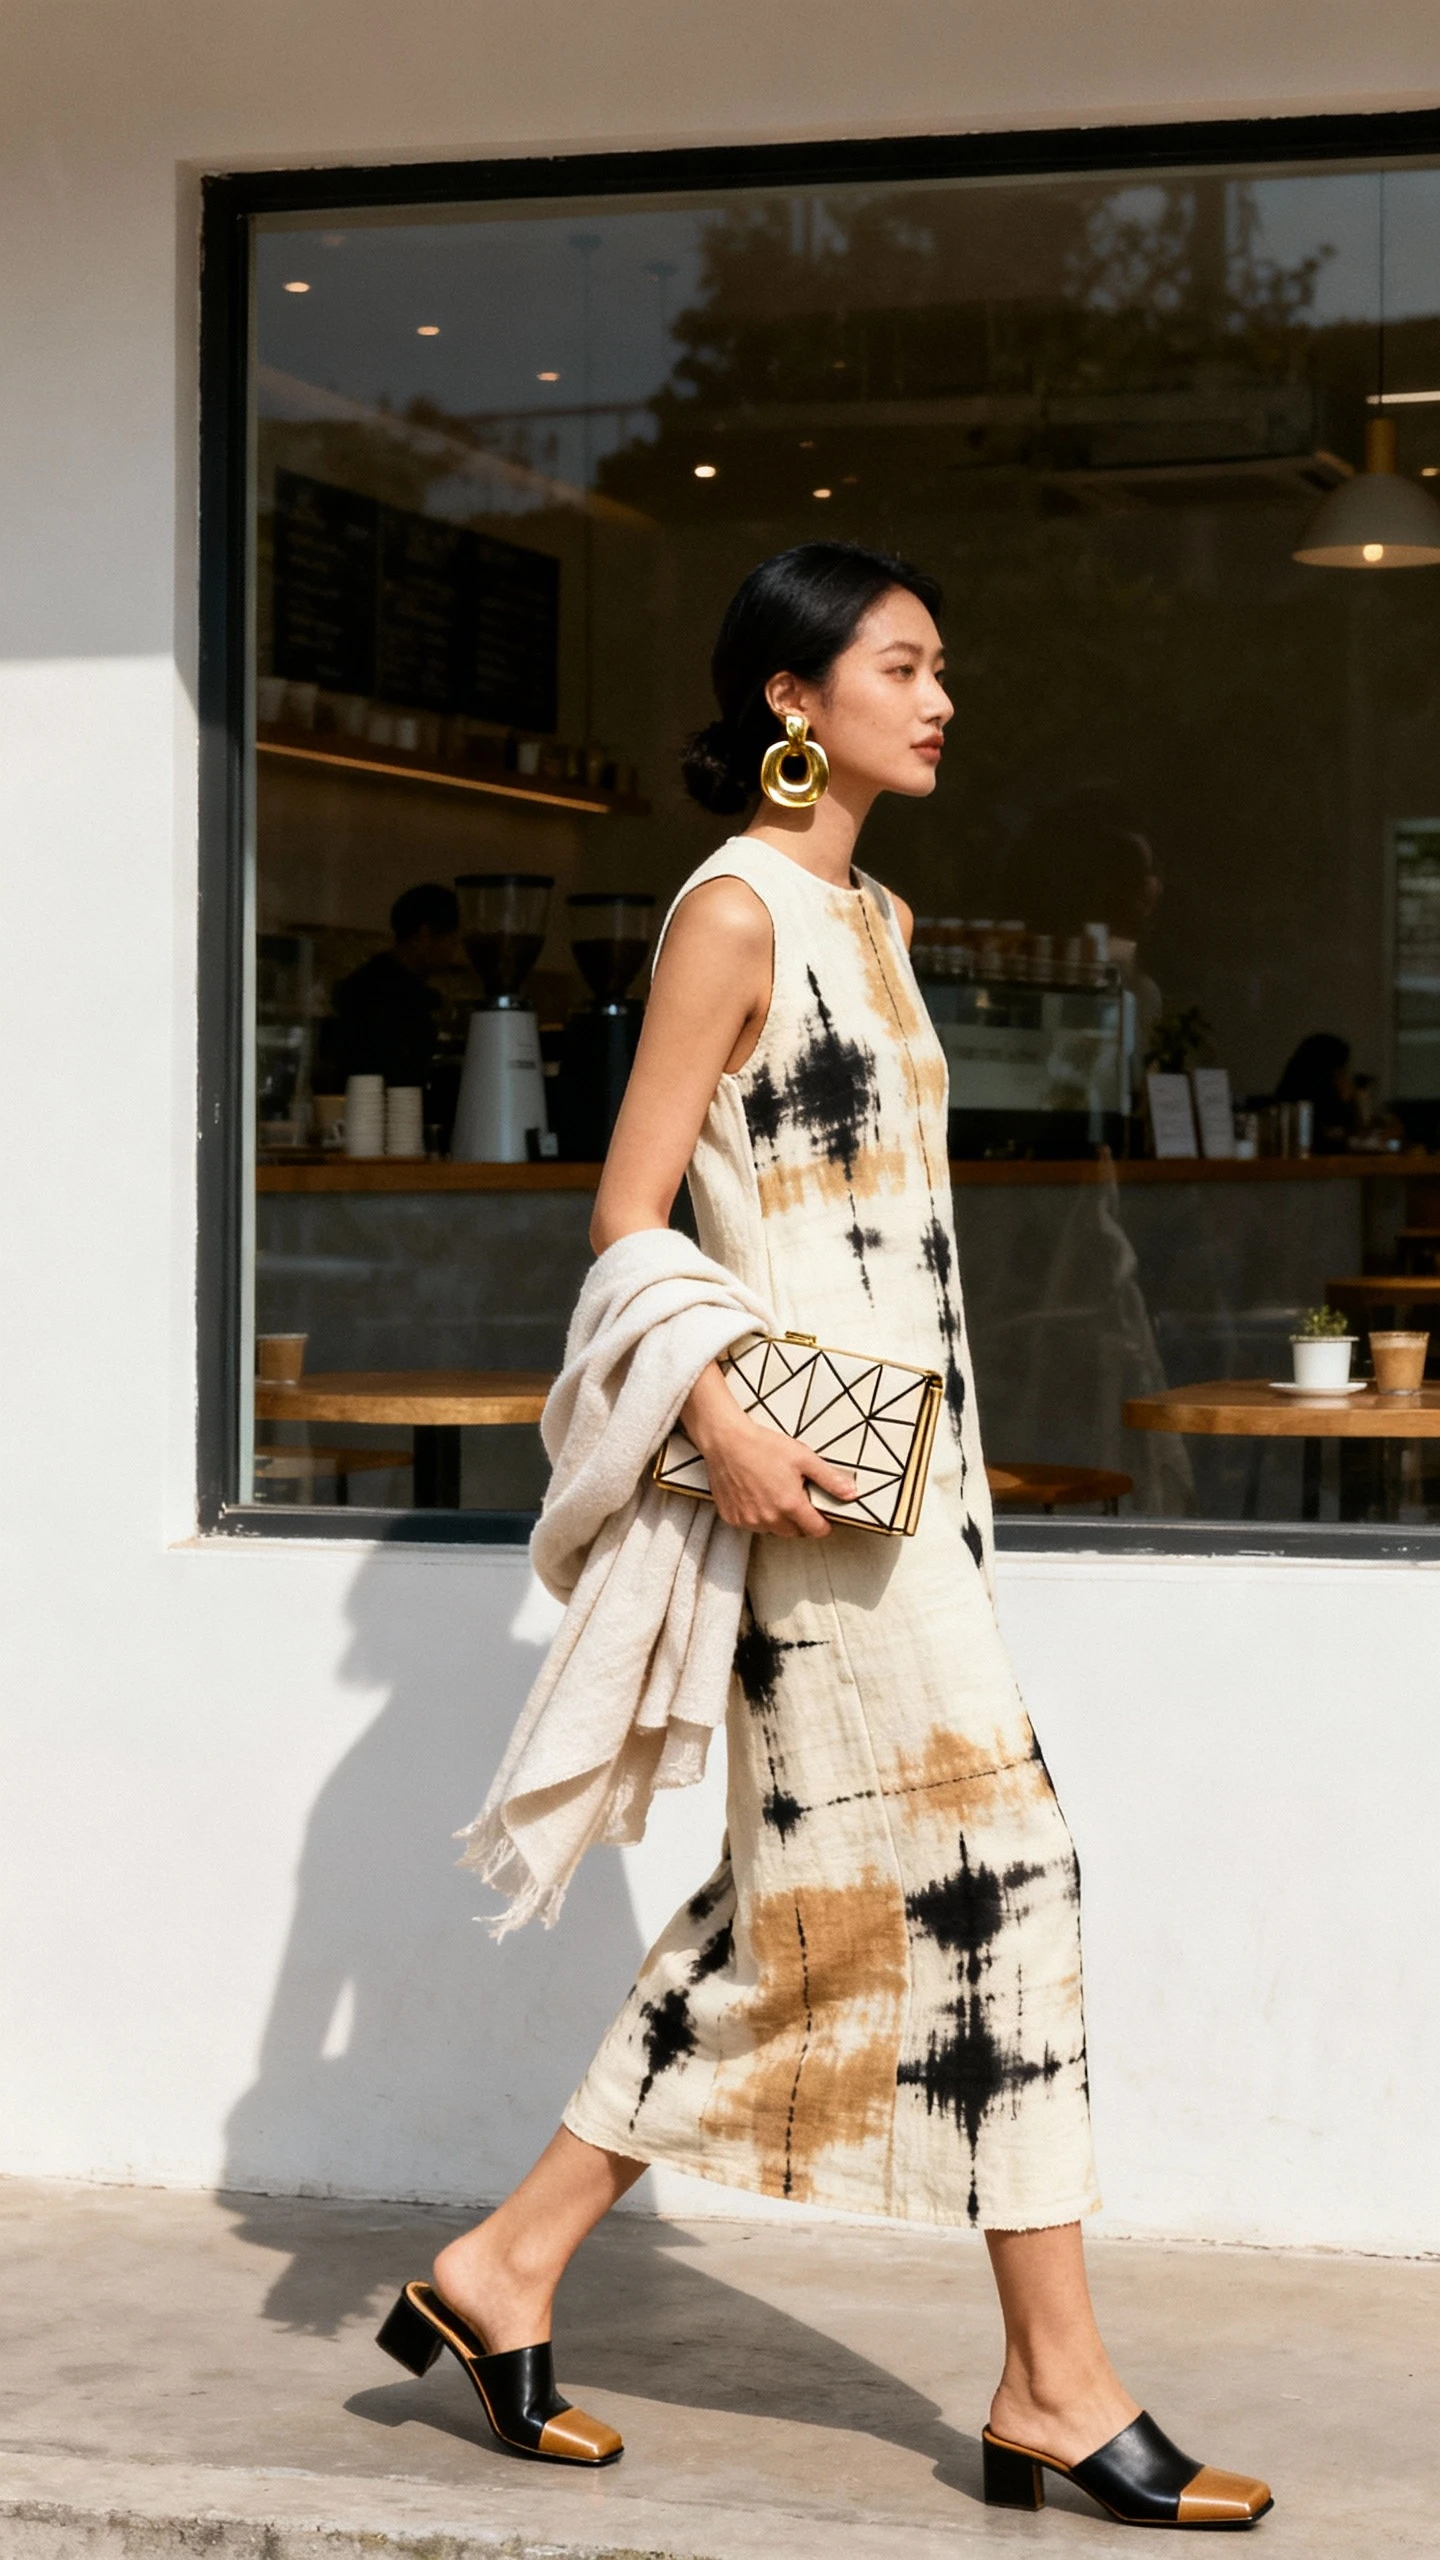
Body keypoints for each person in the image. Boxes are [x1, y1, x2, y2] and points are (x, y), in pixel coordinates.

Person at [377, 547, 1272, 2532]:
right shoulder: (730, 908)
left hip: (910, 1488)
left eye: (943, 663)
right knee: (1007, 1867)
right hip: (809, 1496)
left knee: (796, 1909)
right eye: (900, 663)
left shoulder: (874, 908)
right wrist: (725, 1417)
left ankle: (503, 2267)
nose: (940, 695)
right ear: (796, 698)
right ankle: (1056, 2381)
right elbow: (627, 1219)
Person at [328, 882, 460, 1089]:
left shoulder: (368, 981)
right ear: (424, 935)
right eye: (451, 940)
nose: (453, 950)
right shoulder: (392, 995)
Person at [1275, 1031, 1356, 1154]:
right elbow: (1334, 1139)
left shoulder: (1331, 1097)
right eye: (1341, 1070)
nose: (1344, 1076)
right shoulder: (1297, 1106)